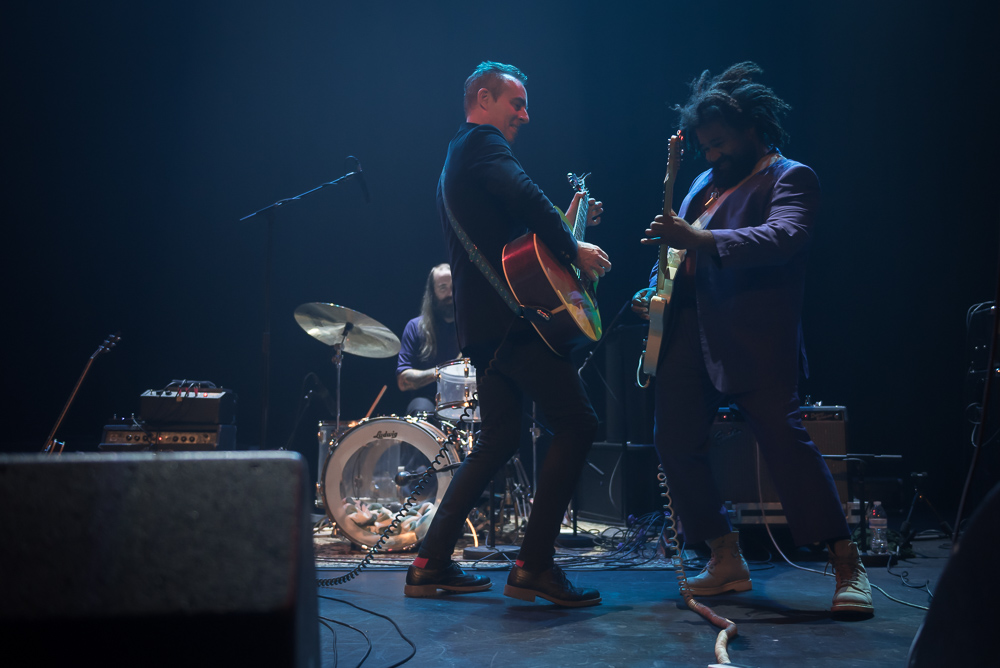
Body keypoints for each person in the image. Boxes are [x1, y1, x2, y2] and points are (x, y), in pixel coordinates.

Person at [632, 62, 873, 616]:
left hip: (751, 336)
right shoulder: (700, 184)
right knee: (673, 441)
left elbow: (784, 236)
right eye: (705, 148)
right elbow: (676, 253)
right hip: (687, 332)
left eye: (720, 144)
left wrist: (698, 237)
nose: (712, 156)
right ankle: (724, 558)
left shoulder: (790, 177)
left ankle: (845, 562)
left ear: (752, 129)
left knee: (785, 443)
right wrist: (655, 288)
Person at [404, 61, 609, 607]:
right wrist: (575, 248)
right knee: (578, 424)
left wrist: (565, 228)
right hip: (512, 324)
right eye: (515, 103)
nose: (525, 114)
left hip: (484, 326)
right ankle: (535, 565)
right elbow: (524, 196)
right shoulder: (482, 145)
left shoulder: (455, 155)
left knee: (497, 440)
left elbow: (510, 237)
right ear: (483, 98)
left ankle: (428, 562)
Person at [396, 263, 460, 415]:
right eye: (443, 287)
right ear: (433, 293)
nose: (450, 293)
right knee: (419, 408)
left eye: (453, 286)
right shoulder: (415, 327)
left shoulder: (472, 326)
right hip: (428, 400)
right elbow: (403, 381)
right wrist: (445, 371)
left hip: (468, 400)